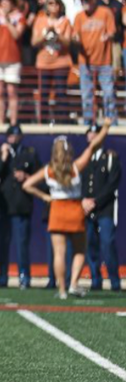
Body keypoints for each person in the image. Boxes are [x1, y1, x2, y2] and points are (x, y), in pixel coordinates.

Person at [23, 119, 112, 299]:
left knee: (59, 253)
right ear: (69, 151)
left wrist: (45, 197)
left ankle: (62, 290)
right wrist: (105, 128)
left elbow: (27, 184)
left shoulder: (48, 170)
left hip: (57, 210)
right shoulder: (76, 167)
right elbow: (93, 146)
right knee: (80, 251)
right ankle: (73, 284)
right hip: (74, 209)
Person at [0, 124, 40, 288]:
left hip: (21, 204)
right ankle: (2, 277)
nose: (14, 139)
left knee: (22, 244)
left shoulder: (29, 153)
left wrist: (26, 176)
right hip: (4, 204)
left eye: (16, 136)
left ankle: (24, 276)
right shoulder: (1, 152)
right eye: (11, 136)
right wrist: (3, 157)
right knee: (3, 243)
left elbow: (40, 175)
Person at [82, 123, 121, 292]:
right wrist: (83, 201)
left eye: (95, 133)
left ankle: (114, 281)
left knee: (107, 243)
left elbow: (112, 184)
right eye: (89, 134)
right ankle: (95, 280)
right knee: (91, 245)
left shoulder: (110, 157)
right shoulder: (85, 158)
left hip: (105, 208)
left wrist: (95, 201)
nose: (92, 136)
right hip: (88, 210)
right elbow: (80, 182)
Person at [73, 0, 118, 126]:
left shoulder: (105, 12)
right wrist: (75, 39)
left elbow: (112, 31)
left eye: (87, 0)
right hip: (85, 62)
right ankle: (89, 124)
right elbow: (75, 36)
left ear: (94, 0)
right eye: (83, 0)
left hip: (104, 61)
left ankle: (111, 123)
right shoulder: (79, 16)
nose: (85, 3)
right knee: (87, 95)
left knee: (108, 94)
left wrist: (107, 36)